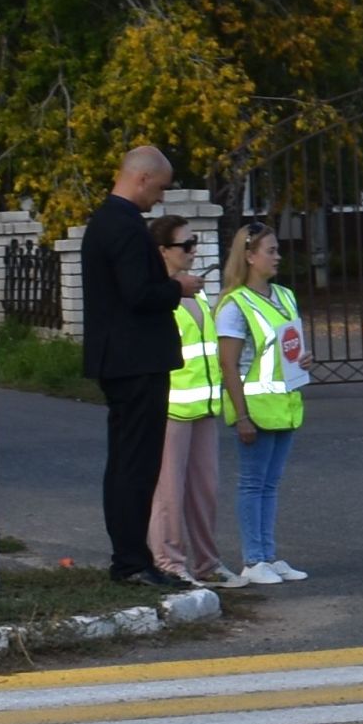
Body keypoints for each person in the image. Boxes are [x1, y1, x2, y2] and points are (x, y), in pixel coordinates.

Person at [80, 146, 202, 586]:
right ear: (143, 179)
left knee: (128, 460)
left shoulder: (107, 221)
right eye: (161, 188)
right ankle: (131, 563)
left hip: (123, 359)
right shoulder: (125, 226)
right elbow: (137, 294)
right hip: (135, 361)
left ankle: (132, 559)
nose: (160, 199)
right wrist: (178, 287)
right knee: (136, 463)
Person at [144, 216, 246, 590]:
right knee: (169, 493)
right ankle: (169, 562)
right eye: (185, 245)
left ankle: (207, 563)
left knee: (205, 490)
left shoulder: (196, 290)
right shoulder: (160, 292)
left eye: (195, 242)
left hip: (203, 406)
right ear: (162, 252)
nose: (193, 250)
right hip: (171, 408)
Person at [217, 222, 315, 586]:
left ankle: (269, 556)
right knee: (252, 484)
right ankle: (253, 559)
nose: (278, 256)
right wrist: (241, 415)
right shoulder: (234, 305)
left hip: (285, 405)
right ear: (249, 256)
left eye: (277, 250)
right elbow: (228, 363)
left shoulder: (285, 296)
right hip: (255, 409)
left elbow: (288, 349)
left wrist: (304, 359)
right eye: (270, 250)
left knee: (269, 485)